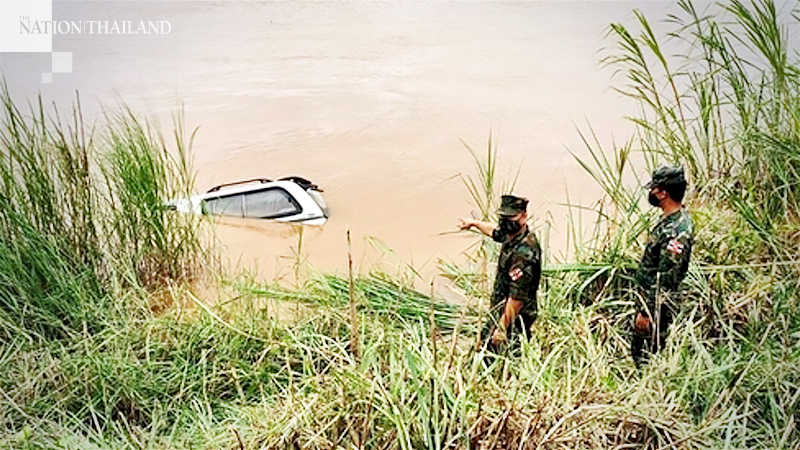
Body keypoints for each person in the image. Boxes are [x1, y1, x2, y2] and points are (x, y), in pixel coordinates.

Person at [458, 195, 542, 352]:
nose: (505, 222)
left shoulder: (524, 253)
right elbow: (494, 232)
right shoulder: (513, 234)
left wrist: (502, 327)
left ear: (524, 216)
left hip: (515, 317)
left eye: (511, 217)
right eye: (502, 217)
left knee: (504, 355)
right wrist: (475, 223)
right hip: (501, 310)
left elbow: (517, 298)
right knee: (484, 349)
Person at [632, 165, 695, 367]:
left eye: (654, 189)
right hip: (651, 304)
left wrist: (646, 312)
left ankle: (648, 389)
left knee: (647, 357)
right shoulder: (671, 220)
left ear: (663, 193)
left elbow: (666, 276)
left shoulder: (677, 230)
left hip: (657, 310)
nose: (651, 193)